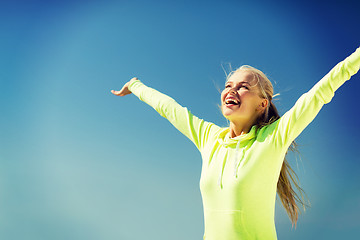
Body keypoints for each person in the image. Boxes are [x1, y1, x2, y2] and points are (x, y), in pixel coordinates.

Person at [111, 46, 360, 240]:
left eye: (243, 87)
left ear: (262, 104)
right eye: (229, 86)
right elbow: (169, 108)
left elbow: (320, 92)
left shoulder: (274, 138)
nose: (232, 91)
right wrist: (135, 86)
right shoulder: (209, 138)